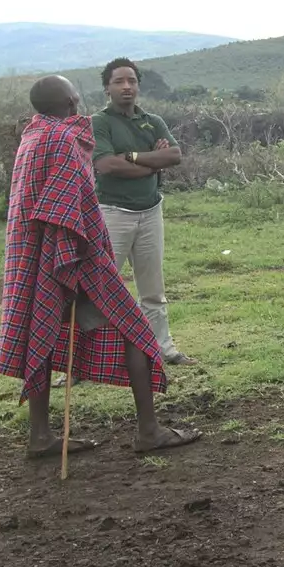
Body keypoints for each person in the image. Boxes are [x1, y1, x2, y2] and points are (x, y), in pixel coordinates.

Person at [0, 75, 201, 456]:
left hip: (33, 256)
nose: (80, 108)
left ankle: (40, 436)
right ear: (70, 104)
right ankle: (149, 431)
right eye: (76, 100)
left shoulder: (33, 136)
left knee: (39, 334)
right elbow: (69, 208)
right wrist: (73, 265)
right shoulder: (61, 140)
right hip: (70, 255)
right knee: (135, 329)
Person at [90, 57, 193, 365]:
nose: (126, 87)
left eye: (131, 81)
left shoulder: (153, 120)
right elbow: (106, 165)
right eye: (119, 81)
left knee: (152, 287)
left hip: (150, 211)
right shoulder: (99, 122)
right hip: (113, 213)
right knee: (101, 287)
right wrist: (151, 163)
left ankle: (164, 348)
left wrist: (133, 157)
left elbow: (174, 155)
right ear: (107, 87)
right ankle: (86, 361)